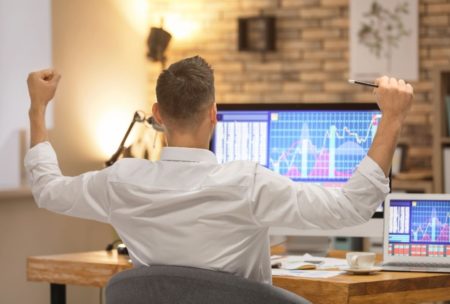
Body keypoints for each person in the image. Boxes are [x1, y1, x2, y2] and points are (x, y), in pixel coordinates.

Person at [25, 56, 413, 284]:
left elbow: (46, 189)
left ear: (157, 116)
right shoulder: (246, 183)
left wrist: (38, 109)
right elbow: (352, 206)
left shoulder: (120, 180)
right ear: (214, 114)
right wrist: (392, 118)